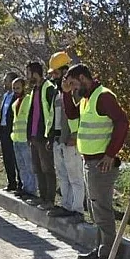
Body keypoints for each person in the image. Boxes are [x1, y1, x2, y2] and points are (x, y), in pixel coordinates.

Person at [62, 64, 129, 259]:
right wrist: (65, 94)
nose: (72, 89)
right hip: (89, 161)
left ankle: (107, 258)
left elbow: (122, 123)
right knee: (94, 209)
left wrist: (111, 153)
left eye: (73, 84)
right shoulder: (86, 98)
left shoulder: (103, 96)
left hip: (102, 162)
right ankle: (99, 250)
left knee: (102, 211)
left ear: (83, 78)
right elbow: (71, 113)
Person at [47, 52, 85, 222]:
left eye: (55, 72)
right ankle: (66, 205)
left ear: (64, 70)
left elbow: (80, 114)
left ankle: (78, 210)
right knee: (63, 175)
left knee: (75, 177)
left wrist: (76, 135)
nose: (53, 76)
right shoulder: (57, 92)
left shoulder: (76, 91)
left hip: (71, 140)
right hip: (58, 140)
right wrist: (52, 137)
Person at [26, 61, 57, 210]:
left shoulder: (49, 88)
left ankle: (50, 200)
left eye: (28, 73)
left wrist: (50, 136)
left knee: (48, 169)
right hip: (34, 136)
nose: (27, 76)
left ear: (35, 73)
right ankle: (42, 197)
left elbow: (53, 113)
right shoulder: (34, 90)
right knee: (37, 168)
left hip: (44, 136)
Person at [10, 77, 38, 201]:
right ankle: (25, 188)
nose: (16, 90)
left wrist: (31, 136)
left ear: (23, 87)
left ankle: (32, 190)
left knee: (29, 166)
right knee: (21, 166)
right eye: (14, 88)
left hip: (25, 139)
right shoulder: (14, 103)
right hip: (16, 139)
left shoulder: (29, 100)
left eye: (18, 88)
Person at [0, 72, 21, 192]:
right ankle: (11, 182)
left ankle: (20, 183)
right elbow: (2, 115)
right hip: (4, 130)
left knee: (16, 158)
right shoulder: (6, 95)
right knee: (7, 158)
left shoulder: (17, 96)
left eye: (6, 80)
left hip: (14, 130)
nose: (3, 82)